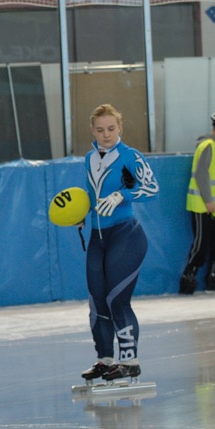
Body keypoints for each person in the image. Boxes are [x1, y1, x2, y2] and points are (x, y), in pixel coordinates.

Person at [80, 104, 159, 383]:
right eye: (100, 130)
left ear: (120, 128)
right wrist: (79, 213)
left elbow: (151, 188)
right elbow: (90, 196)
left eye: (111, 129)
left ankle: (130, 360)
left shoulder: (130, 156)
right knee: (97, 300)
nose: (106, 134)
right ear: (92, 130)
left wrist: (122, 195)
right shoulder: (89, 158)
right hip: (97, 237)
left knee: (117, 299)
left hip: (126, 235)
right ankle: (105, 359)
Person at [179, 108, 215, 295]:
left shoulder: (214, 148)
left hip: (214, 208)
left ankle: (214, 274)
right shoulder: (208, 146)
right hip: (202, 205)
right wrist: (208, 200)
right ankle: (189, 275)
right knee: (201, 242)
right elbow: (201, 173)